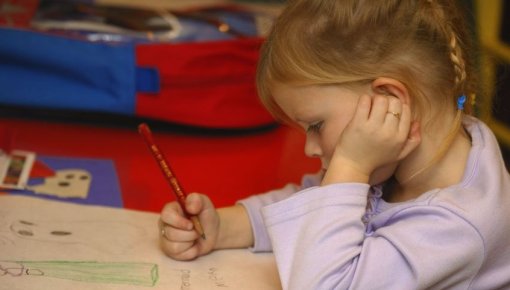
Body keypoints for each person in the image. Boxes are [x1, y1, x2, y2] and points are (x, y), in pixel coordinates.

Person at [158, 0, 510, 289]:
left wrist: (351, 168)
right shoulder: (420, 150)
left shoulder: (457, 225)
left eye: (316, 125)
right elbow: (318, 204)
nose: (310, 148)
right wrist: (224, 226)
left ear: (389, 100)